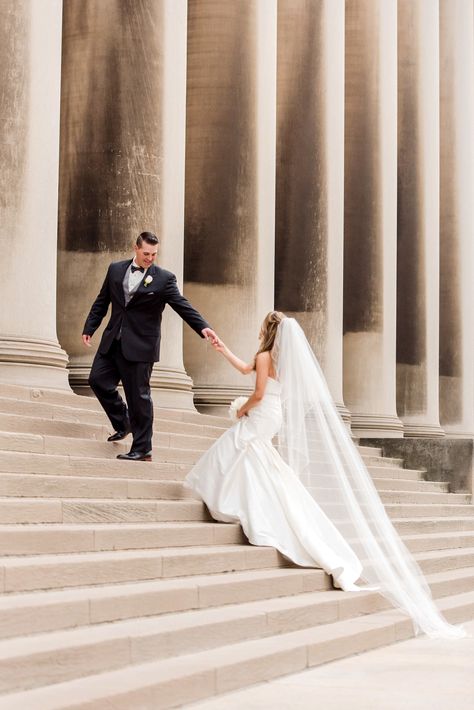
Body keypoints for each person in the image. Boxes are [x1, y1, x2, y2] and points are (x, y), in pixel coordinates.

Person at [185, 311, 465, 639]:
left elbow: (258, 393)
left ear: (267, 330)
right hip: (272, 416)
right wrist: (222, 349)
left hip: (262, 413)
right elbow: (247, 370)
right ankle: (247, 499)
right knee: (256, 458)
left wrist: (242, 409)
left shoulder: (264, 355)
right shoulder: (280, 361)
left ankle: (239, 502)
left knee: (235, 448)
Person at [82, 231, 218, 461]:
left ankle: (143, 448)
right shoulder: (115, 269)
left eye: (154, 254)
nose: (150, 258)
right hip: (113, 340)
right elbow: (102, 300)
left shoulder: (164, 279)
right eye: (146, 253)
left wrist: (203, 327)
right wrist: (90, 327)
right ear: (135, 248)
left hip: (141, 346)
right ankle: (123, 422)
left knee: (139, 397)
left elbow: (181, 304)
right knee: (97, 380)